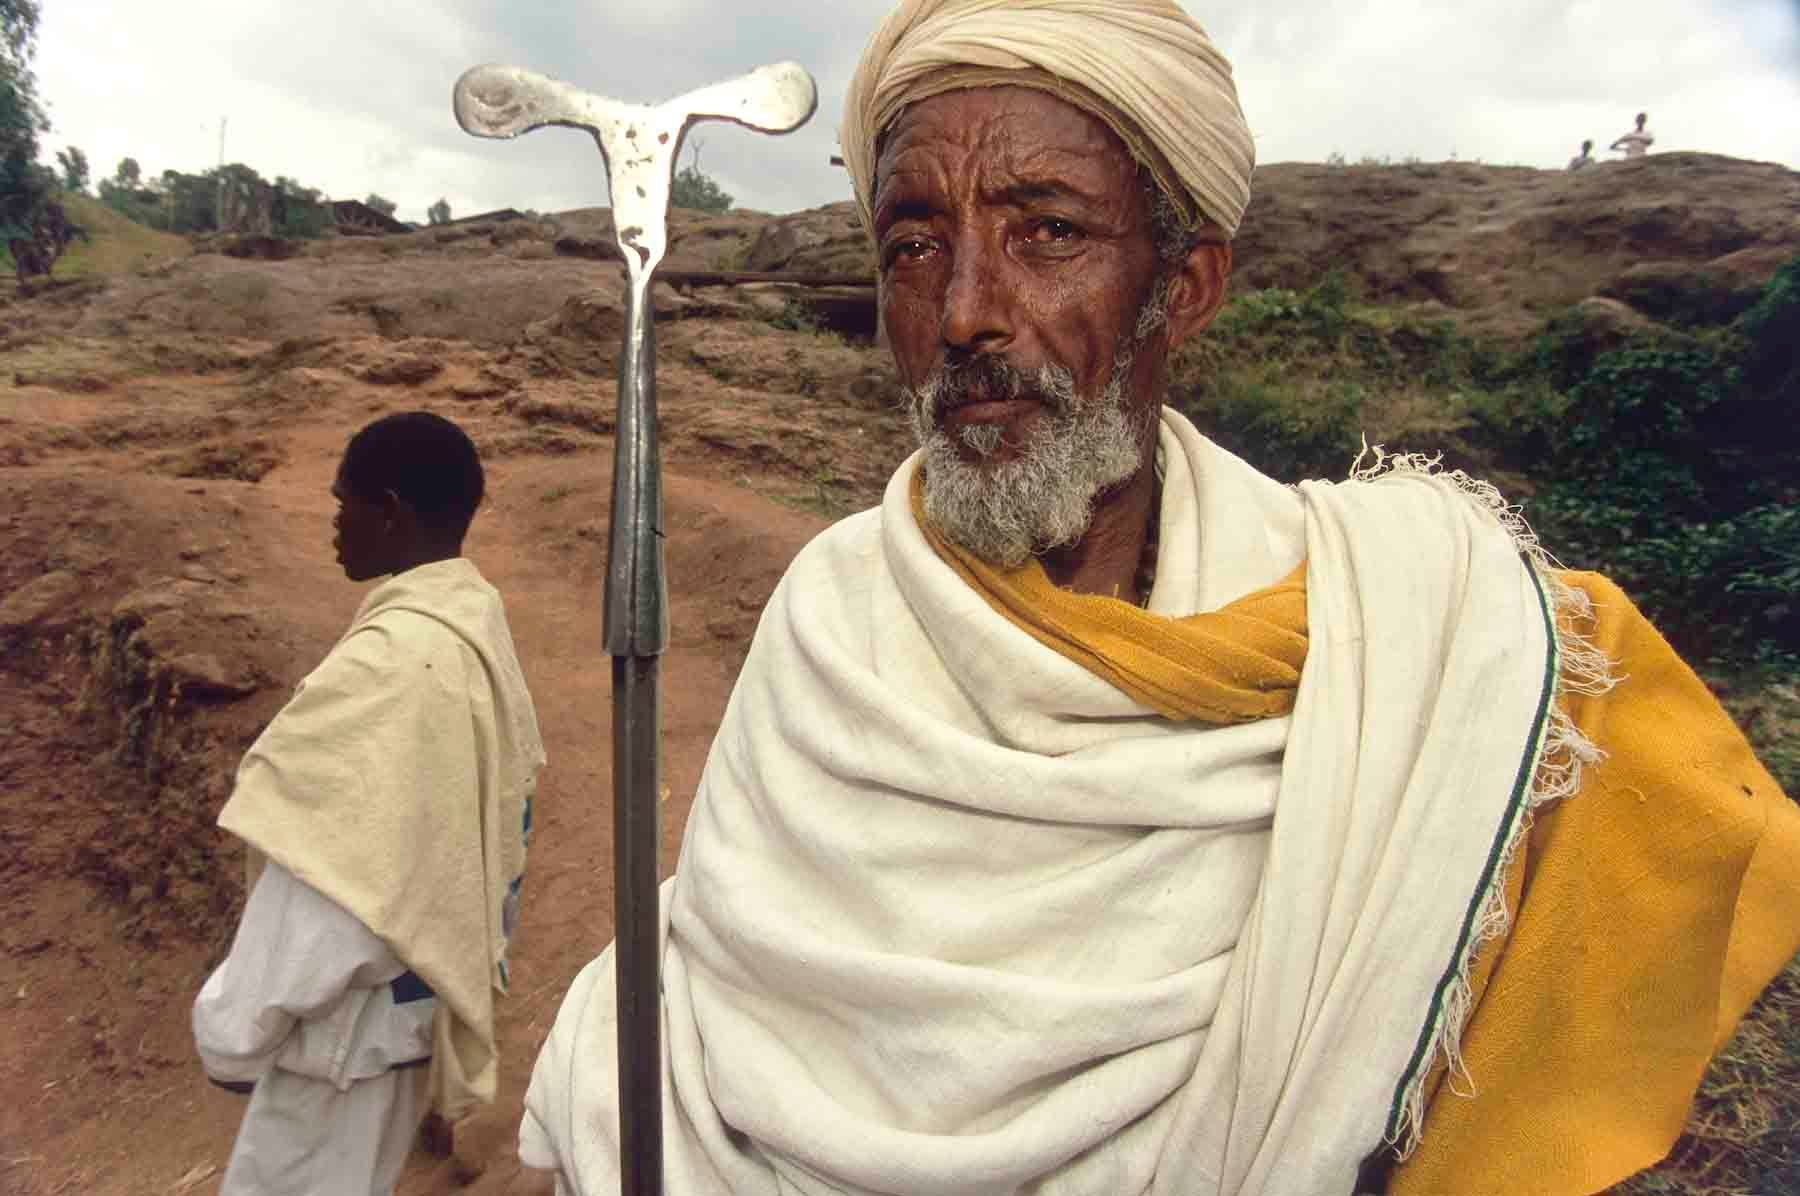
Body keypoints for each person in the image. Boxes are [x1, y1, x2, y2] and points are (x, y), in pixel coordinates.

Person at [520, 3, 1800, 1194]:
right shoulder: (829, 615)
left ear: (1184, 288)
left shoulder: (1391, 625)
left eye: (1048, 231)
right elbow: (719, 999)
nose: (966, 311)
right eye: (915, 243)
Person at [193, 411, 545, 1195]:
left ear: (389, 510)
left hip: (339, 1045)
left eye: (341, 502)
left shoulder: (387, 669)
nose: (332, 525)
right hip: (406, 1018)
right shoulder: (471, 627)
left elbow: (329, 880)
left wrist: (236, 1028)